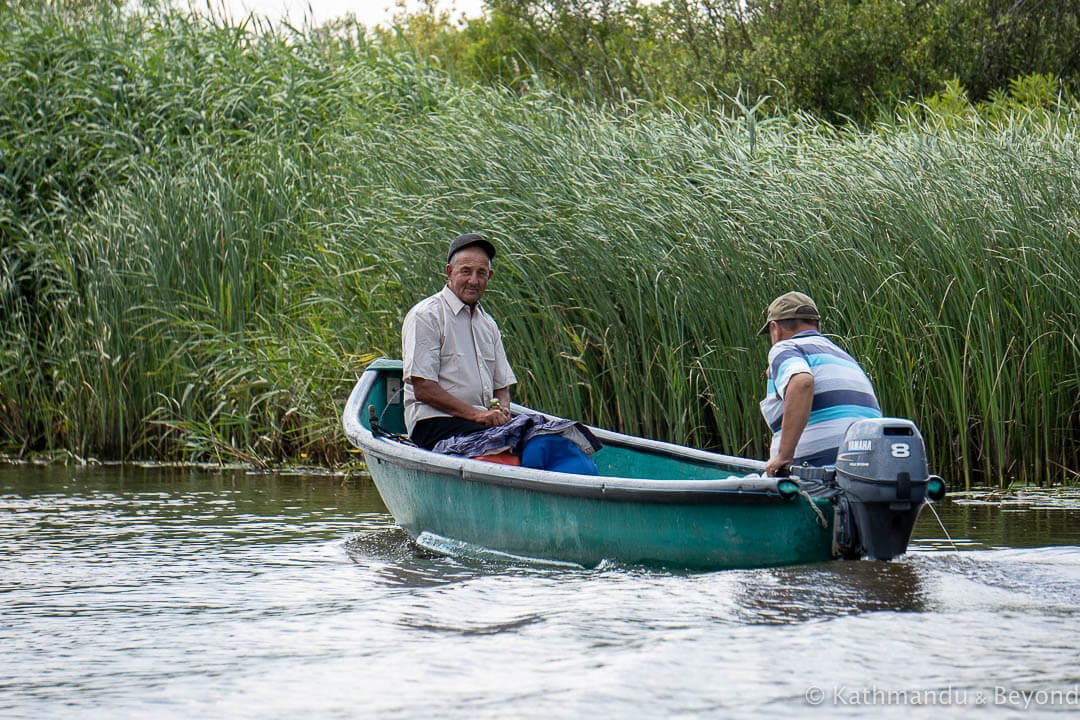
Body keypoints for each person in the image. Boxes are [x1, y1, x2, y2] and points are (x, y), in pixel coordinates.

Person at [402, 232, 516, 450]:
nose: (473, 280)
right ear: (449, 272)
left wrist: (501, 413)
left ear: (489, 276)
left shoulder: (488, 324)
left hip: (478, 423)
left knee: (541, 437)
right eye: (466, 271)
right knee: (514, 443)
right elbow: (424, 389)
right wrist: (478, 415)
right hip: (433, 423)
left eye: (481, 273)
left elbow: (501, 387)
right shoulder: (426, 316)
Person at [757, 291, 882, 476]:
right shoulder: (844, 357)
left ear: (775, 329)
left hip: (821, 473)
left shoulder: (784, 348)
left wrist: (784, 456)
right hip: (871, 469)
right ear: (818, 326)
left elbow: (802, 383)